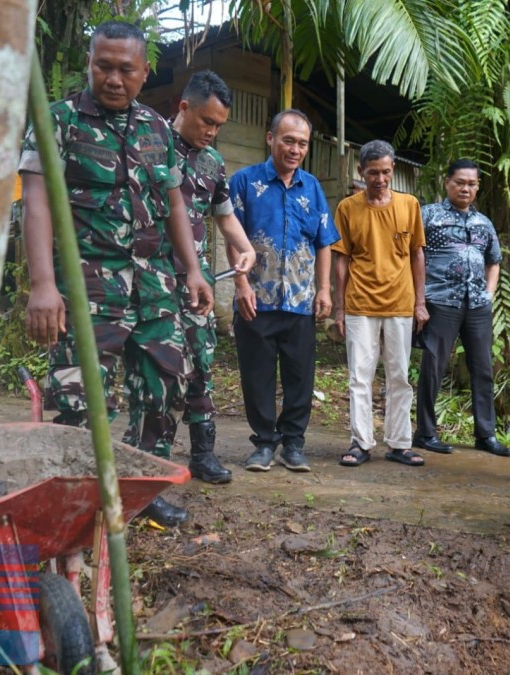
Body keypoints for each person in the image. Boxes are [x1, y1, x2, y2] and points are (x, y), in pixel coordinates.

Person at [19, 21, 213, 527]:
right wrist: (43, 285)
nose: (112, 78)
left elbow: (172, 202)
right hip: (87, 288)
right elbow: (35, 203)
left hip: (153, 287)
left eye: (125, 69)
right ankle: (77, 501)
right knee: (80, 399)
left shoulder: (156, 128)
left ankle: (138, 496)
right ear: (89, 63)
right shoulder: (56, 121)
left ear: (145, 72)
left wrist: (192, 269)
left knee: (162, 388)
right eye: (103, 65)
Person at [128, 70, 255, 486]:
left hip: (195, 287)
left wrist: (246, 247)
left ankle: (203, 455)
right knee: (159, 377)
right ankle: (150, 468)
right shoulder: (149, 144)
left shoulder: (213, 162)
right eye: (207, 122)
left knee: (200, 365)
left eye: (219, 126)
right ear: (184, 107)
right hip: (152, 283)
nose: (212, 132)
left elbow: (224, 215)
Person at [228, 109, 340, 472]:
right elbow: (233, 234)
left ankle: (293, 443)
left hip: (300, 301)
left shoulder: (313, 187)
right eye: (288, 140)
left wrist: (324, 290)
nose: (295, 149)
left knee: (300, 375)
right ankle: (263, 443)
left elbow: (324, 241)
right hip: (255, 299)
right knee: (257, 374)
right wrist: (241, 283)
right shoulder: (244, 182)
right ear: (270, 138)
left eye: (302, 143)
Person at [333, 140, 428, 467]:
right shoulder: (348, 208)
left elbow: (417, 253)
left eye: (386, 172)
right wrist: (339, 307)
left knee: (399, 375)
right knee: (360, 376)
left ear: (393, 171)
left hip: (401, 303)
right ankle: (361, 442)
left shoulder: (409, 205)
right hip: (360, 303)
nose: (381, 179)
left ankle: (400, 443)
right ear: (361, 172)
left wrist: (420, 302)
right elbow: (341, 259)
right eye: (374, 173)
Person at [412, 159, 510, 457]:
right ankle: (425, 433)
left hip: (477, 305)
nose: (465, 188)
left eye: (471, 183)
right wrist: (418, 299)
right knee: (433, 367)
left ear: (477, 186)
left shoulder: (484, 223)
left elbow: (494, 260)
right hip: (440, 301)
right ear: (448, 182)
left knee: (483, 369)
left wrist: (489, 295)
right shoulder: (428, 215)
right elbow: (413, 256)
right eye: (460, 182)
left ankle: (485, 435)